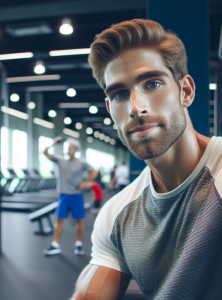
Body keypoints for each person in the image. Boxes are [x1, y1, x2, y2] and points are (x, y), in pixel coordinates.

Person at [71, 19, 222, 300]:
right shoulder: (115, 215)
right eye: (120, 94)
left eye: (152, 83)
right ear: (110, 108)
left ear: (185, 91)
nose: (136, 107)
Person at [43, 137, 98, 256]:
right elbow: (45, 152)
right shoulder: (61, 160)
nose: (68, 151)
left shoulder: (82, 162)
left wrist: (85, 182)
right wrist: (53, 143)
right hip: (63, 195)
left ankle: (78, 244)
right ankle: (55, 245)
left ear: (76, 150)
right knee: (59, 220)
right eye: (67, 148)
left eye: (70, 148)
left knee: (79, 220)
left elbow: (94, 172)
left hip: (76, 195)